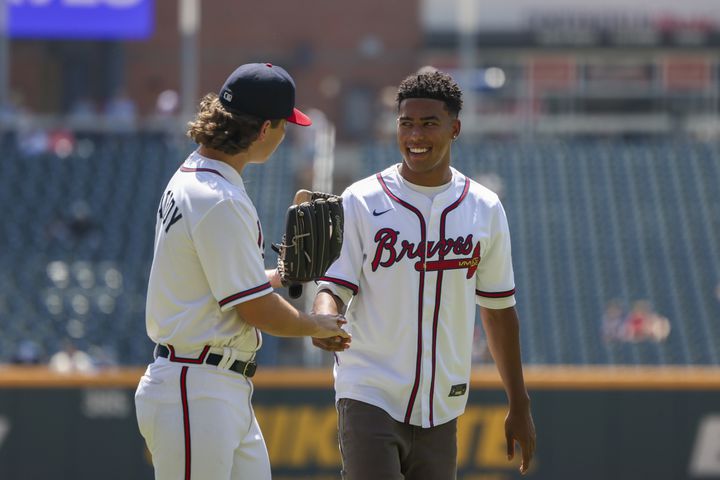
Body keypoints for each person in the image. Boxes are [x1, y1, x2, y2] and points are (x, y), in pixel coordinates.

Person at [312, 69, 536, 478]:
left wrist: (518, 403)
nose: (415, 135)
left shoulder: (484, 208)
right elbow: (334, 285)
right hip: (369, 391)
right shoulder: (362, 199)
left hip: (442, 405)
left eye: (429, 123)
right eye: (406, 123)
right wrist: (324, 315)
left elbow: (499, 311)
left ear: (455, 128)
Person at [134, 63, 350, 480]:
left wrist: (281, 276)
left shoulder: (199, 177)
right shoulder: (219, 198)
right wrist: (317, 325)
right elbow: (256, 310)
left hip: (214, 384)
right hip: (195, 386)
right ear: (265, 128)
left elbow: (224, 289)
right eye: (285, 125)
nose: (286, 135)